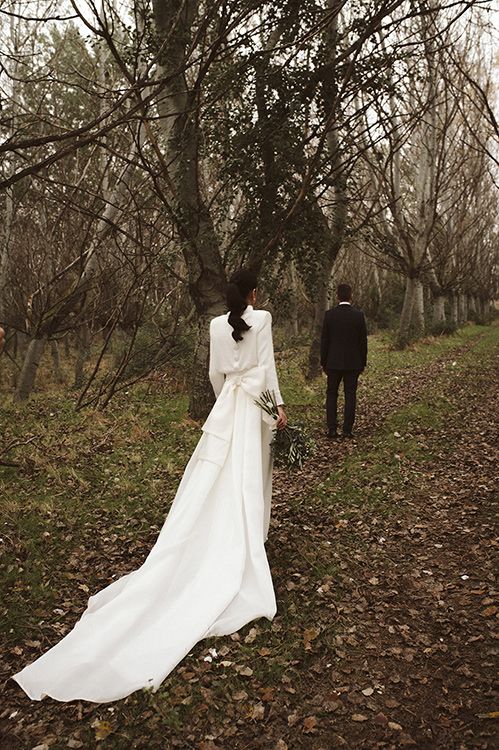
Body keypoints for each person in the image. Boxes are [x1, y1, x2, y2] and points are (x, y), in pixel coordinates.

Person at [13, 268, 287, 703]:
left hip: (227, 408)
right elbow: (268, 368)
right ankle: (246, 538)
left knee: (214, 477)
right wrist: (276, 409)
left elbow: (216, 376)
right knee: (248, 475)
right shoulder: (264, 319)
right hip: (253, 405)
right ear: (254, 292)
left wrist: (226, 403)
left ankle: (221, 534)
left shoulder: (215, 325)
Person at [320, 283, 368, 439]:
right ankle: (347, 430)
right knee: (350, 394)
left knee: (332, 394)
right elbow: (363, 342)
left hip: (333, 362)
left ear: (337, 296)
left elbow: (325, 341)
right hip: (353, 362)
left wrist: (323, 361)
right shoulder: (358, 315)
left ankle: (332, 429)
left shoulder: (329, 315)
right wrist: (363, 362)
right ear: (351, 296)